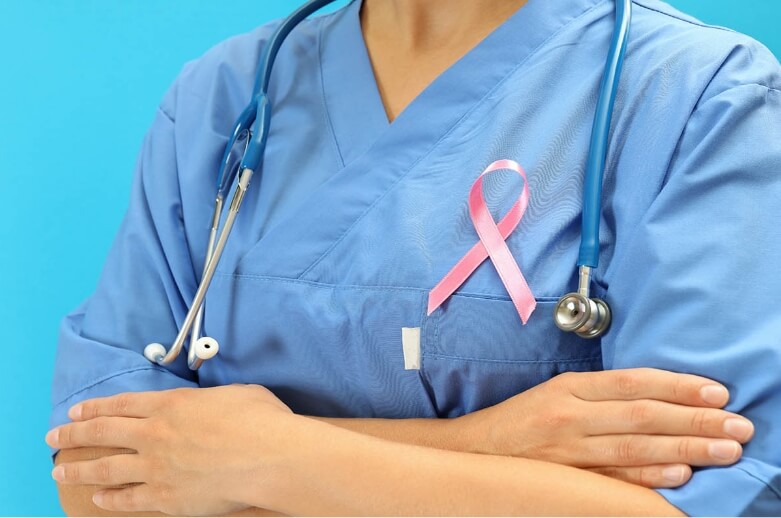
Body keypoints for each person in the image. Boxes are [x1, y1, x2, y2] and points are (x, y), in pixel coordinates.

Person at [47, 0, 781, 515]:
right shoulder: (229, 91)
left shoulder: (693, 93)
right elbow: (96, 476)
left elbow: (708, 499)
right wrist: (481, 444)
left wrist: (260, 458)